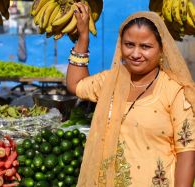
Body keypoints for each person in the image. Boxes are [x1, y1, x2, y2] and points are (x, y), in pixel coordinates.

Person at [66, 2, 195, 187]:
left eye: (145, 46)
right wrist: (83, 38)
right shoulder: (111, 81)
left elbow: (187, 154)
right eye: (129, 44)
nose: (135, 53)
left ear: (161, 49)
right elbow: (76, 84)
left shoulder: (175, 92)